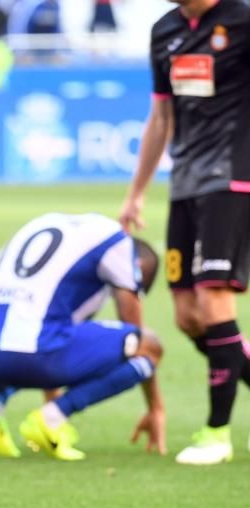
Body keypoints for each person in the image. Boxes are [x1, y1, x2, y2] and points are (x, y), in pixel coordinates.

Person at [120, 0, 250, 465]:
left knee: (215, 301)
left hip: (234, 181)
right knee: (189, 317)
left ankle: (217, 433)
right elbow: (160, 117)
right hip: (186, 185)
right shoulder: (165, 30)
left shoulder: (242, 19)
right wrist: (136, 192)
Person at [0, 213, 165, 461]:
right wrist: (155, 407)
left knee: (34, 339)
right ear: (137, 268)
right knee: (151, 346)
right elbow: (135, 332)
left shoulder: (46, 226)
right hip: (30, 357)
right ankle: (53, 418)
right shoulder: (117, 241)